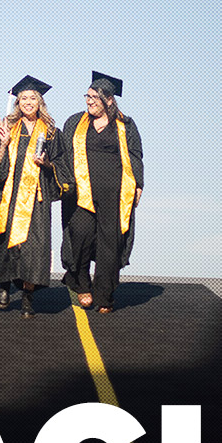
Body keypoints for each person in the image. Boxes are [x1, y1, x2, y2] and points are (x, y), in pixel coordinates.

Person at [0, 76, 67, 318]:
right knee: (5, 244)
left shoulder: (51, 133)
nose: (28, 102)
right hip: (8, 196)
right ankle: (4, 285)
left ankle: (28, 298)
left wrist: (48, 164)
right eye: (24, 98)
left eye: (33, 98)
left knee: (34, 248)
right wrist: (3, 144)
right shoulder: (6, 129)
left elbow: (64, 166)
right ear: (17, 102)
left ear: (40, 102)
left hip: (37, 200)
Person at [61, 72, 143, 314]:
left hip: (114, 194)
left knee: (110, 242)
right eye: (87, 96)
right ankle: (82, 284)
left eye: (94, 97)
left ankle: (104, 296)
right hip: (81, 191)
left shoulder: (125, 124)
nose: (89, 101)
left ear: (109, 99)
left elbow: (135, 155)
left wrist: (138, 184)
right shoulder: (74, 122)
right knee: (81, 235)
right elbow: (65, 155)